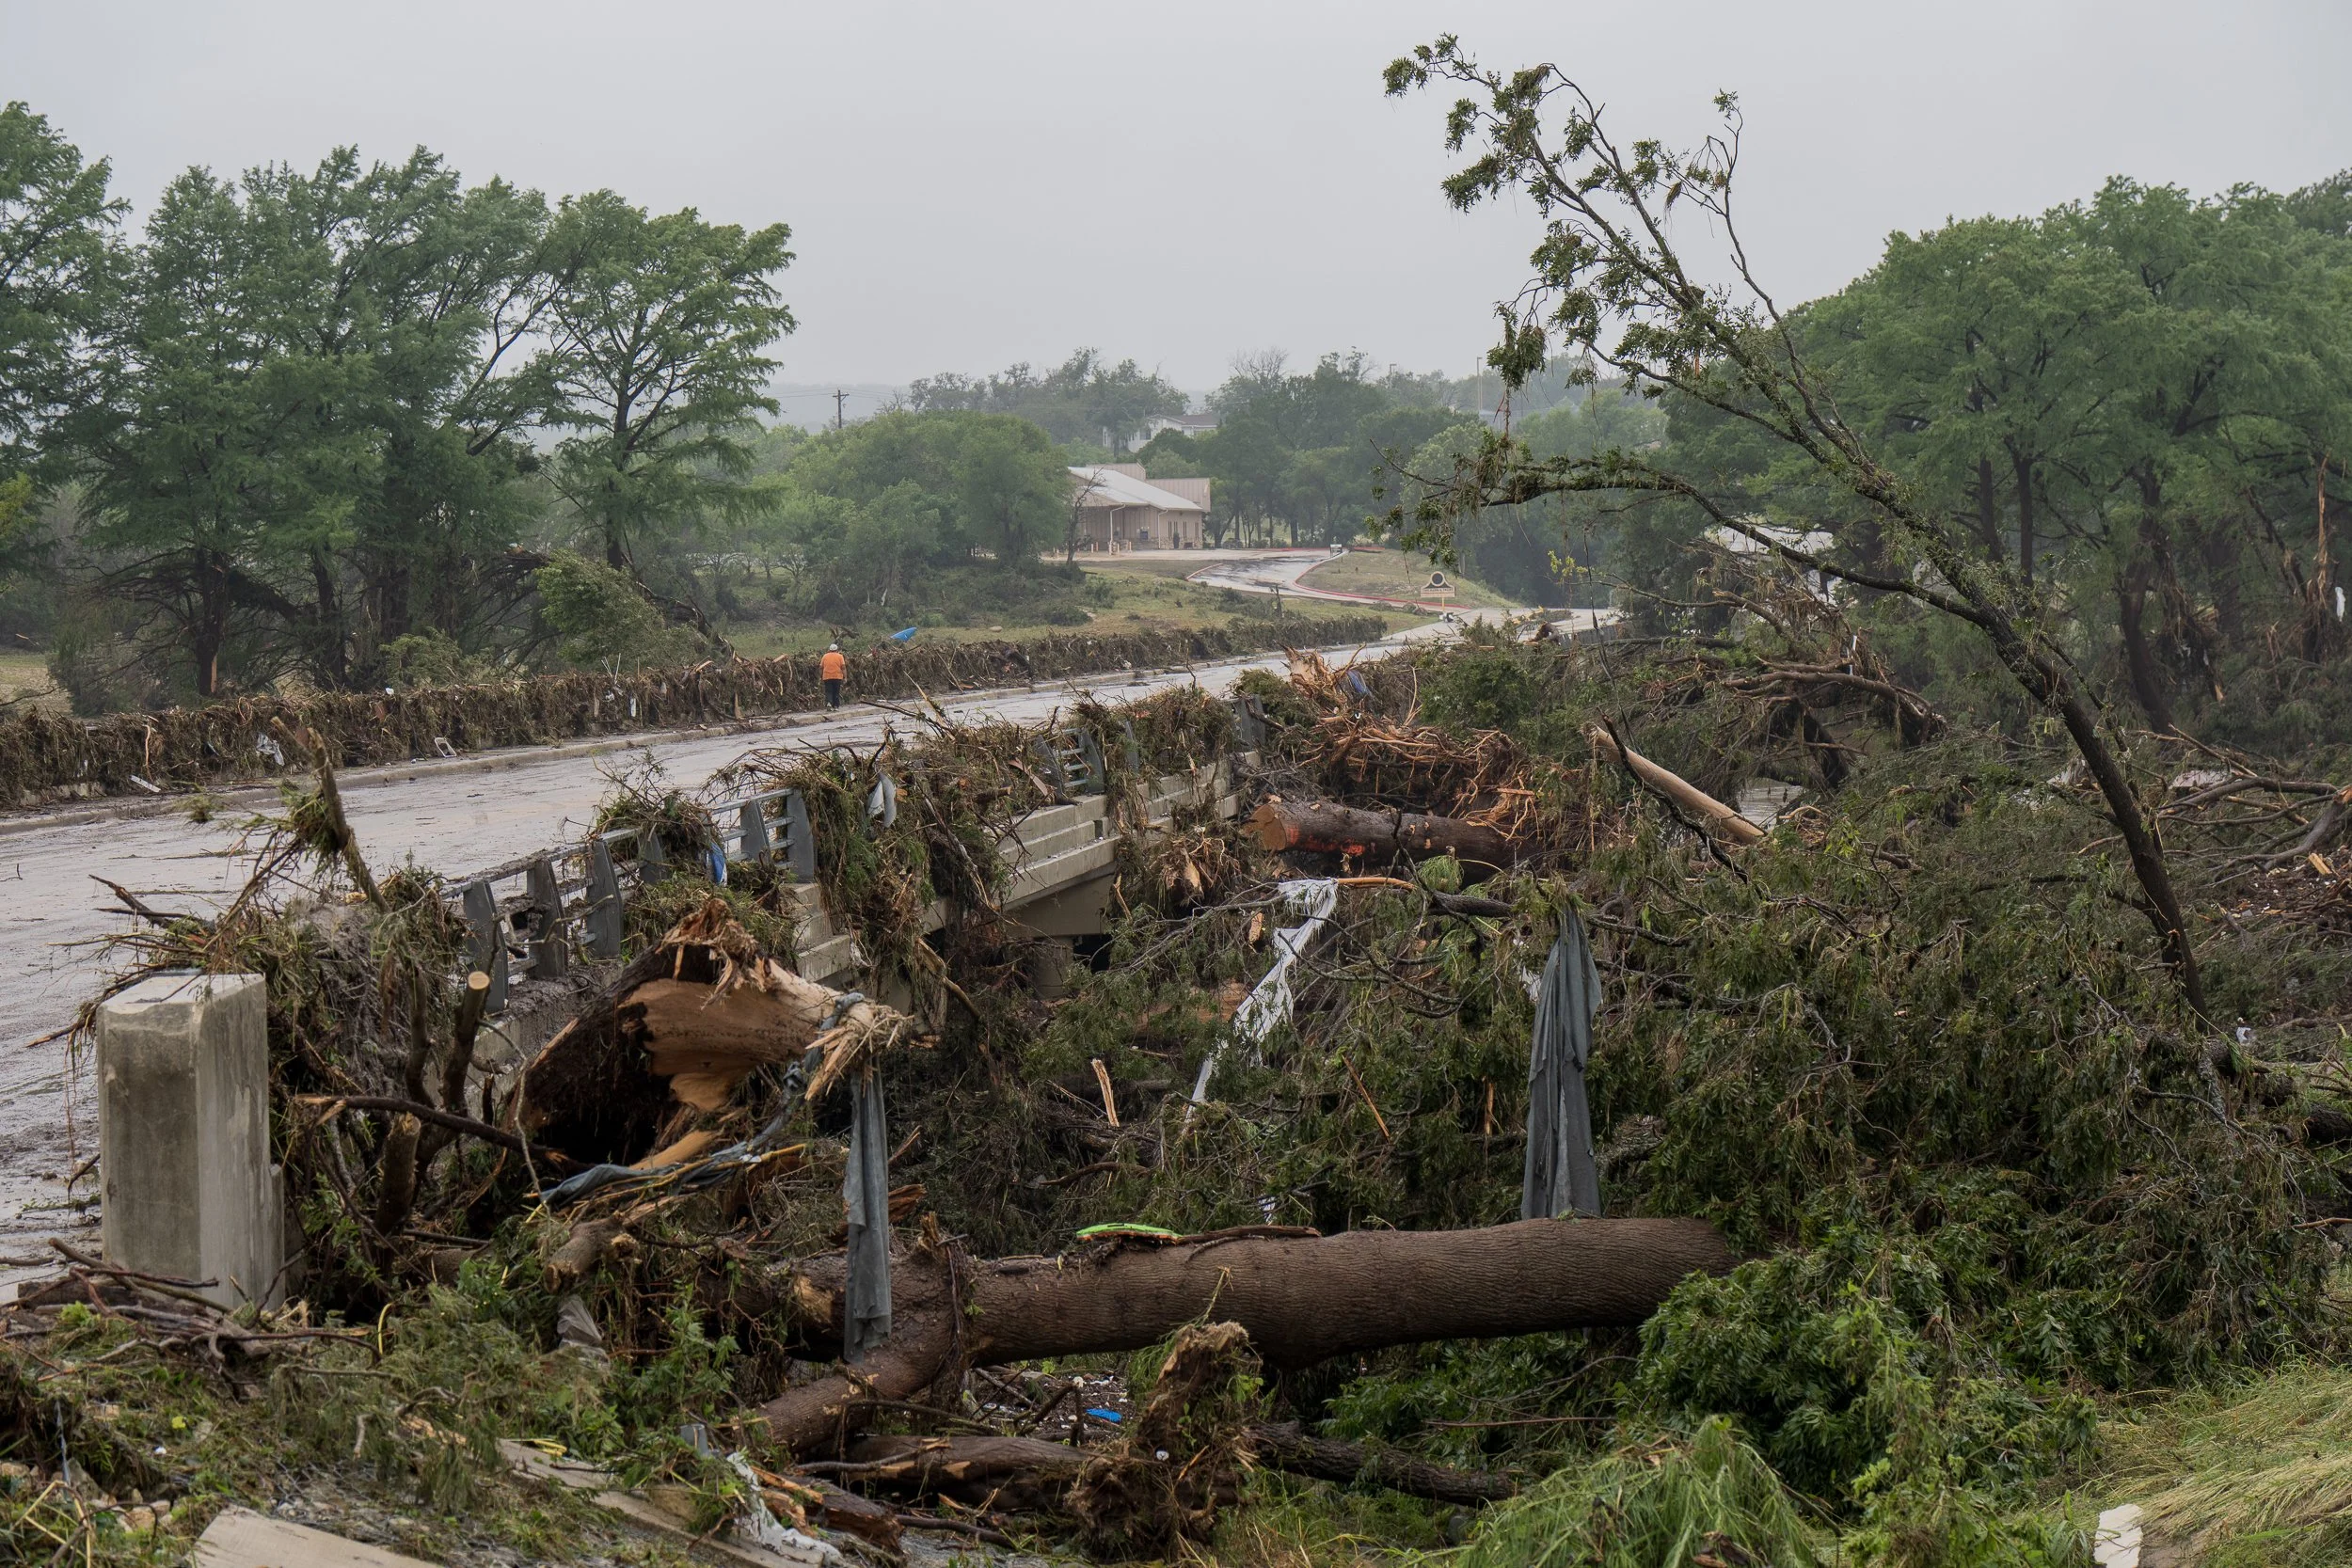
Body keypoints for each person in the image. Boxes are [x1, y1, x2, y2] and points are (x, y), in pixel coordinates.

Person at [819, 641, 847, 710]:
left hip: (827, 676)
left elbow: (821, 667)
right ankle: (835, 706)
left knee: (828, 691)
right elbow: (843, 667)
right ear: (837, 650)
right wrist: (845, 677)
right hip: (837, 677)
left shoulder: (825, 656)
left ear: (829, 650)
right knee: (836, 691)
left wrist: (821, 676)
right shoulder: (840, 656)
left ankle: (829, 703)